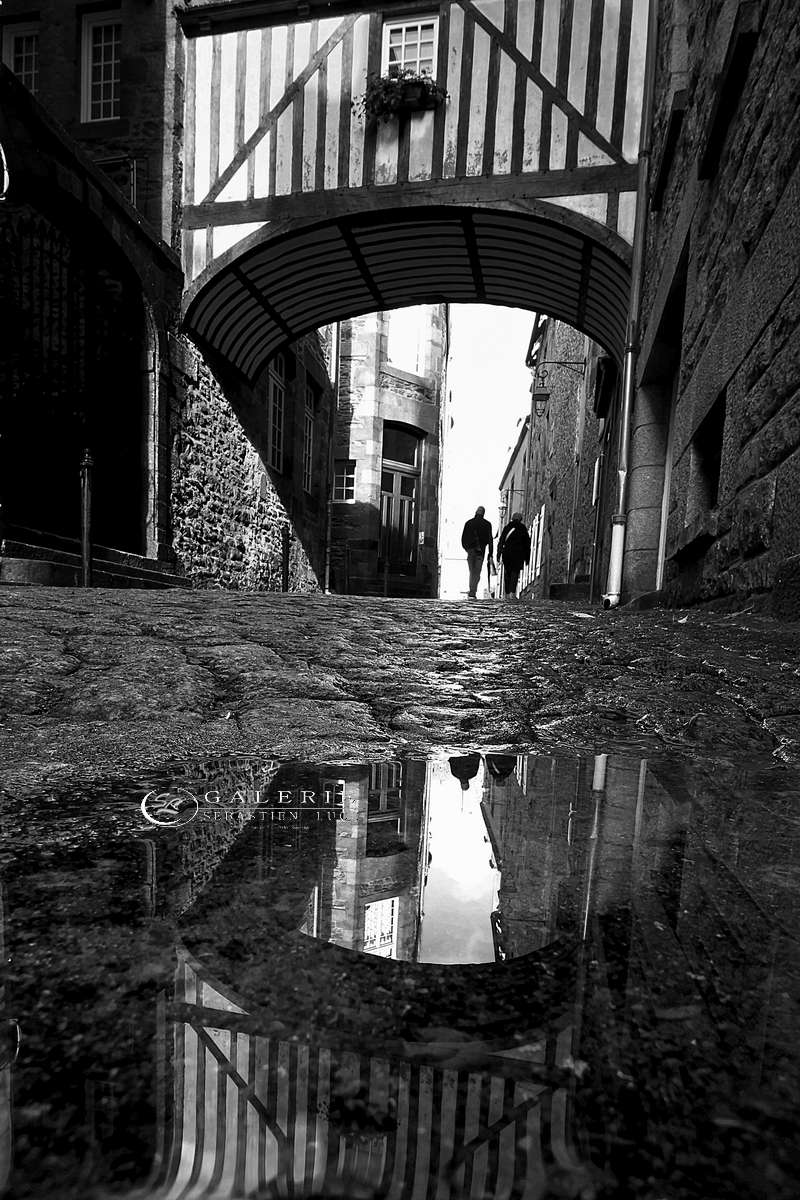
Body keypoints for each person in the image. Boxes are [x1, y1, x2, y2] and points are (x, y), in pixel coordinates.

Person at [461, 506, 494, 599]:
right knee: (477, 571)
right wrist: (490, 553)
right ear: (483, 513)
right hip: (480, 551)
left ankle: (472, 590)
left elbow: (463, 538)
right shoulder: (487, 524)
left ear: (476, 512)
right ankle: (473, 590)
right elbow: (490, 539)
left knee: (471, 570)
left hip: (471, 550)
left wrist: (467, 548)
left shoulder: (469, 523)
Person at [497, 511, 531, 600]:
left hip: (507, 553)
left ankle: (507, 593)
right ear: (520, 519)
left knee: (507, 573)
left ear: (512, 518)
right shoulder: (523, 528)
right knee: (515, 572)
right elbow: (527, 544)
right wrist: (527, 558)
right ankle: (512, 592)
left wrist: (498, 554)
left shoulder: (507, 527)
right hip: (518, 554)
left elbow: (501, 541)